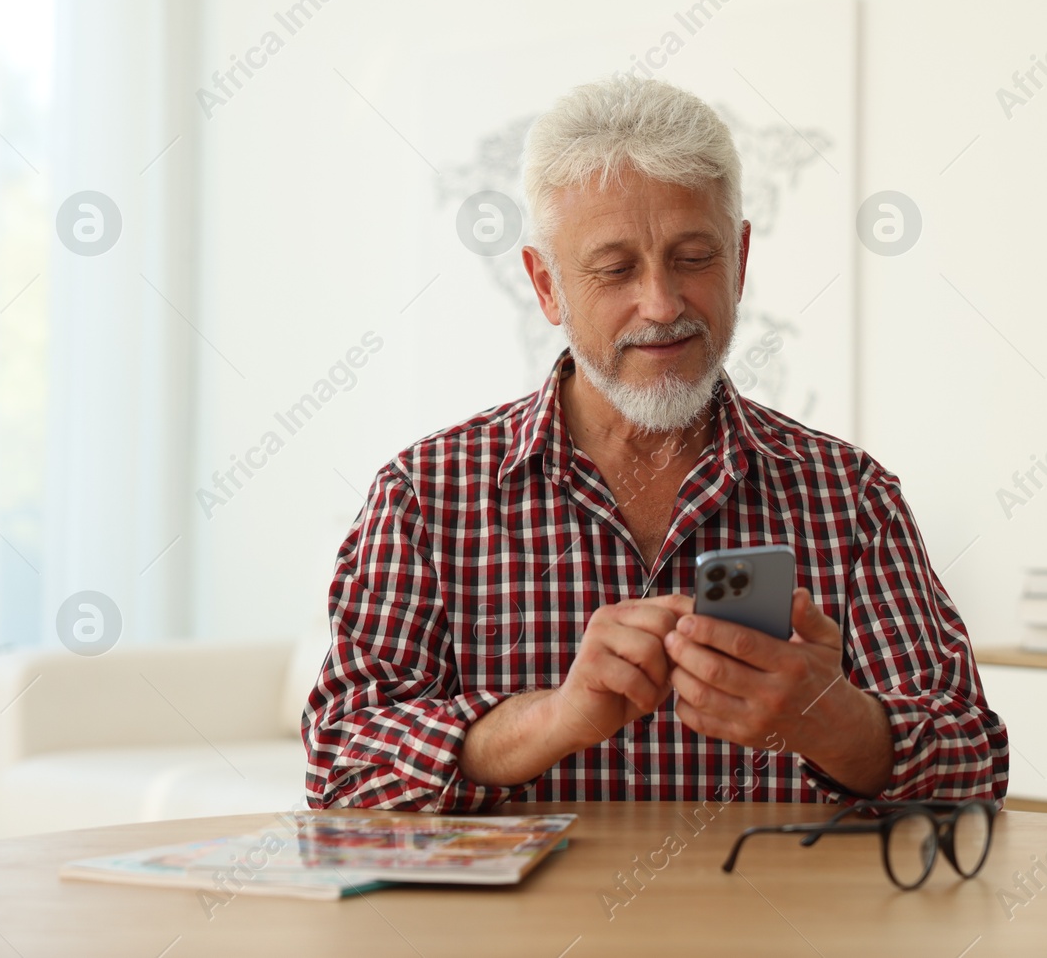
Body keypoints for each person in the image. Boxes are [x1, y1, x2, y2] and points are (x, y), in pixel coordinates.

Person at [303, 78, 1008, 810]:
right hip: (527, 929)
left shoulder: (850, 496)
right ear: (546, 286)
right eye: (614, 270)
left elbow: (975, 763)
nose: (663, 304)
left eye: (694, 257)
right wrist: (551, 720)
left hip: (779, 924)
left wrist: (831, 722)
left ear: (739, 257)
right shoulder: (426, 496)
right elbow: (342, 764)